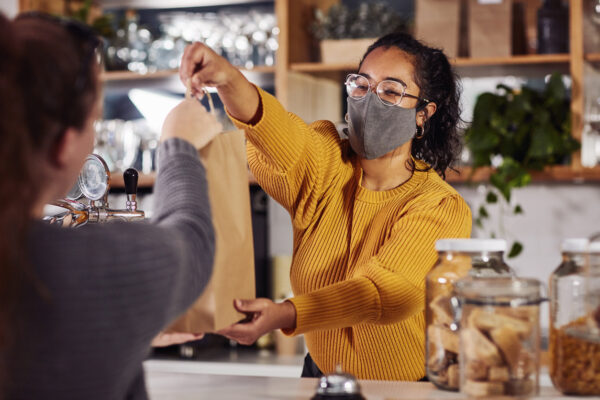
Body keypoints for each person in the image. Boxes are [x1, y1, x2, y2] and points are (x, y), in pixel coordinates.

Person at [180, 32, 472, 381]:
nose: (370, 101)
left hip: (403, 390)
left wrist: (288, 314)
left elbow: (386, 293)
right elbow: (277, 133)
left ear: (423, 113)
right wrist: (227, 78)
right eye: (361, 85)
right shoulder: (328, 163)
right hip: (319, 379)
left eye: (391, 91)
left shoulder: (439, 205)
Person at [0, 12, 221, 399]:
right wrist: (177, 143)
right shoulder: (92, 264)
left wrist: (125, 327)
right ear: (64, 145)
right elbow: (192, 238)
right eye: (94, 122)